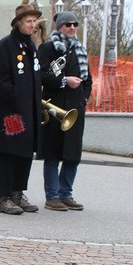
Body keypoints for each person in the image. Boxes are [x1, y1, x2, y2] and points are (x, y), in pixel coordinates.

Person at [0, 2, 44, 216]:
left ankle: (18, 193)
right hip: (11, 112)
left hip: (29, 110)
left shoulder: (30, 45)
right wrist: (14, 97)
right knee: (9, 154)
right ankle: (4, 197)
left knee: (25, 153)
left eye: (34, 21)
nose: (33, 25)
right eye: (29, 21)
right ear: (19, 23)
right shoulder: (7, 44)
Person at [37, 11, 92, 212]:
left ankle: (65, 193)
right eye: (67, 24)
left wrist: (84, 100)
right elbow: (41, 75)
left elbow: (88, 81)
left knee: (72, 153)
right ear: (59, 26)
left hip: (75, 109)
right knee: (52, 152)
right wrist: (64, 81)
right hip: (54, 107)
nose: (71, 27)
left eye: (75, 24)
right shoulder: (49, 48)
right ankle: (52, 196)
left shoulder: (80, 50)